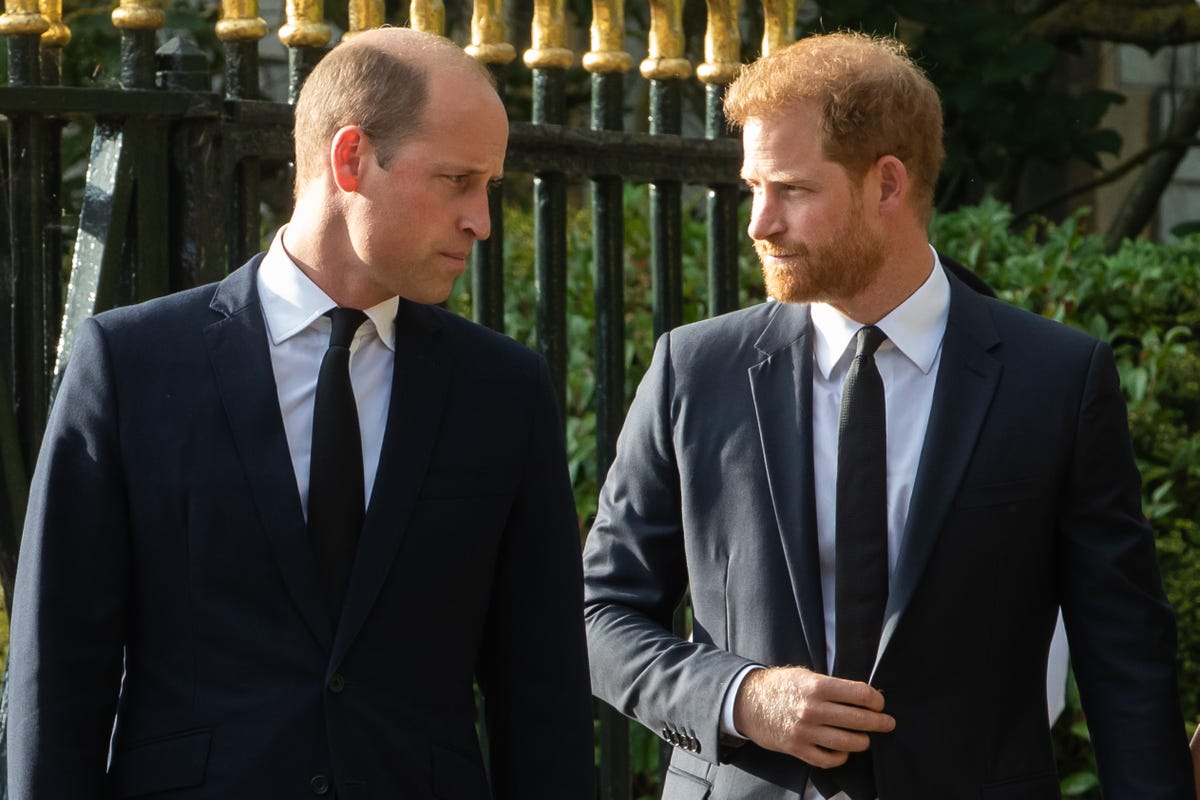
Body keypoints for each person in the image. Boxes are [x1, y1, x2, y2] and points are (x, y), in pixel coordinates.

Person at [582, 30, 1195, 799]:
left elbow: (1124, 653)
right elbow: (598, 614)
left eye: (792, 190)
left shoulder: (1056, 381)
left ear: (888, 185)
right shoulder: (694, 370)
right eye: (753, 188)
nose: (758, 223)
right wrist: (739, 698)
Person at [7, 27, 594, 799]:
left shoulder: (504, 392)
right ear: (350, 159)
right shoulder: (133, 364)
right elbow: (58, 669)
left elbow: (541, 692)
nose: (481, 220)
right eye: (457, 180)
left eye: (490, 187)